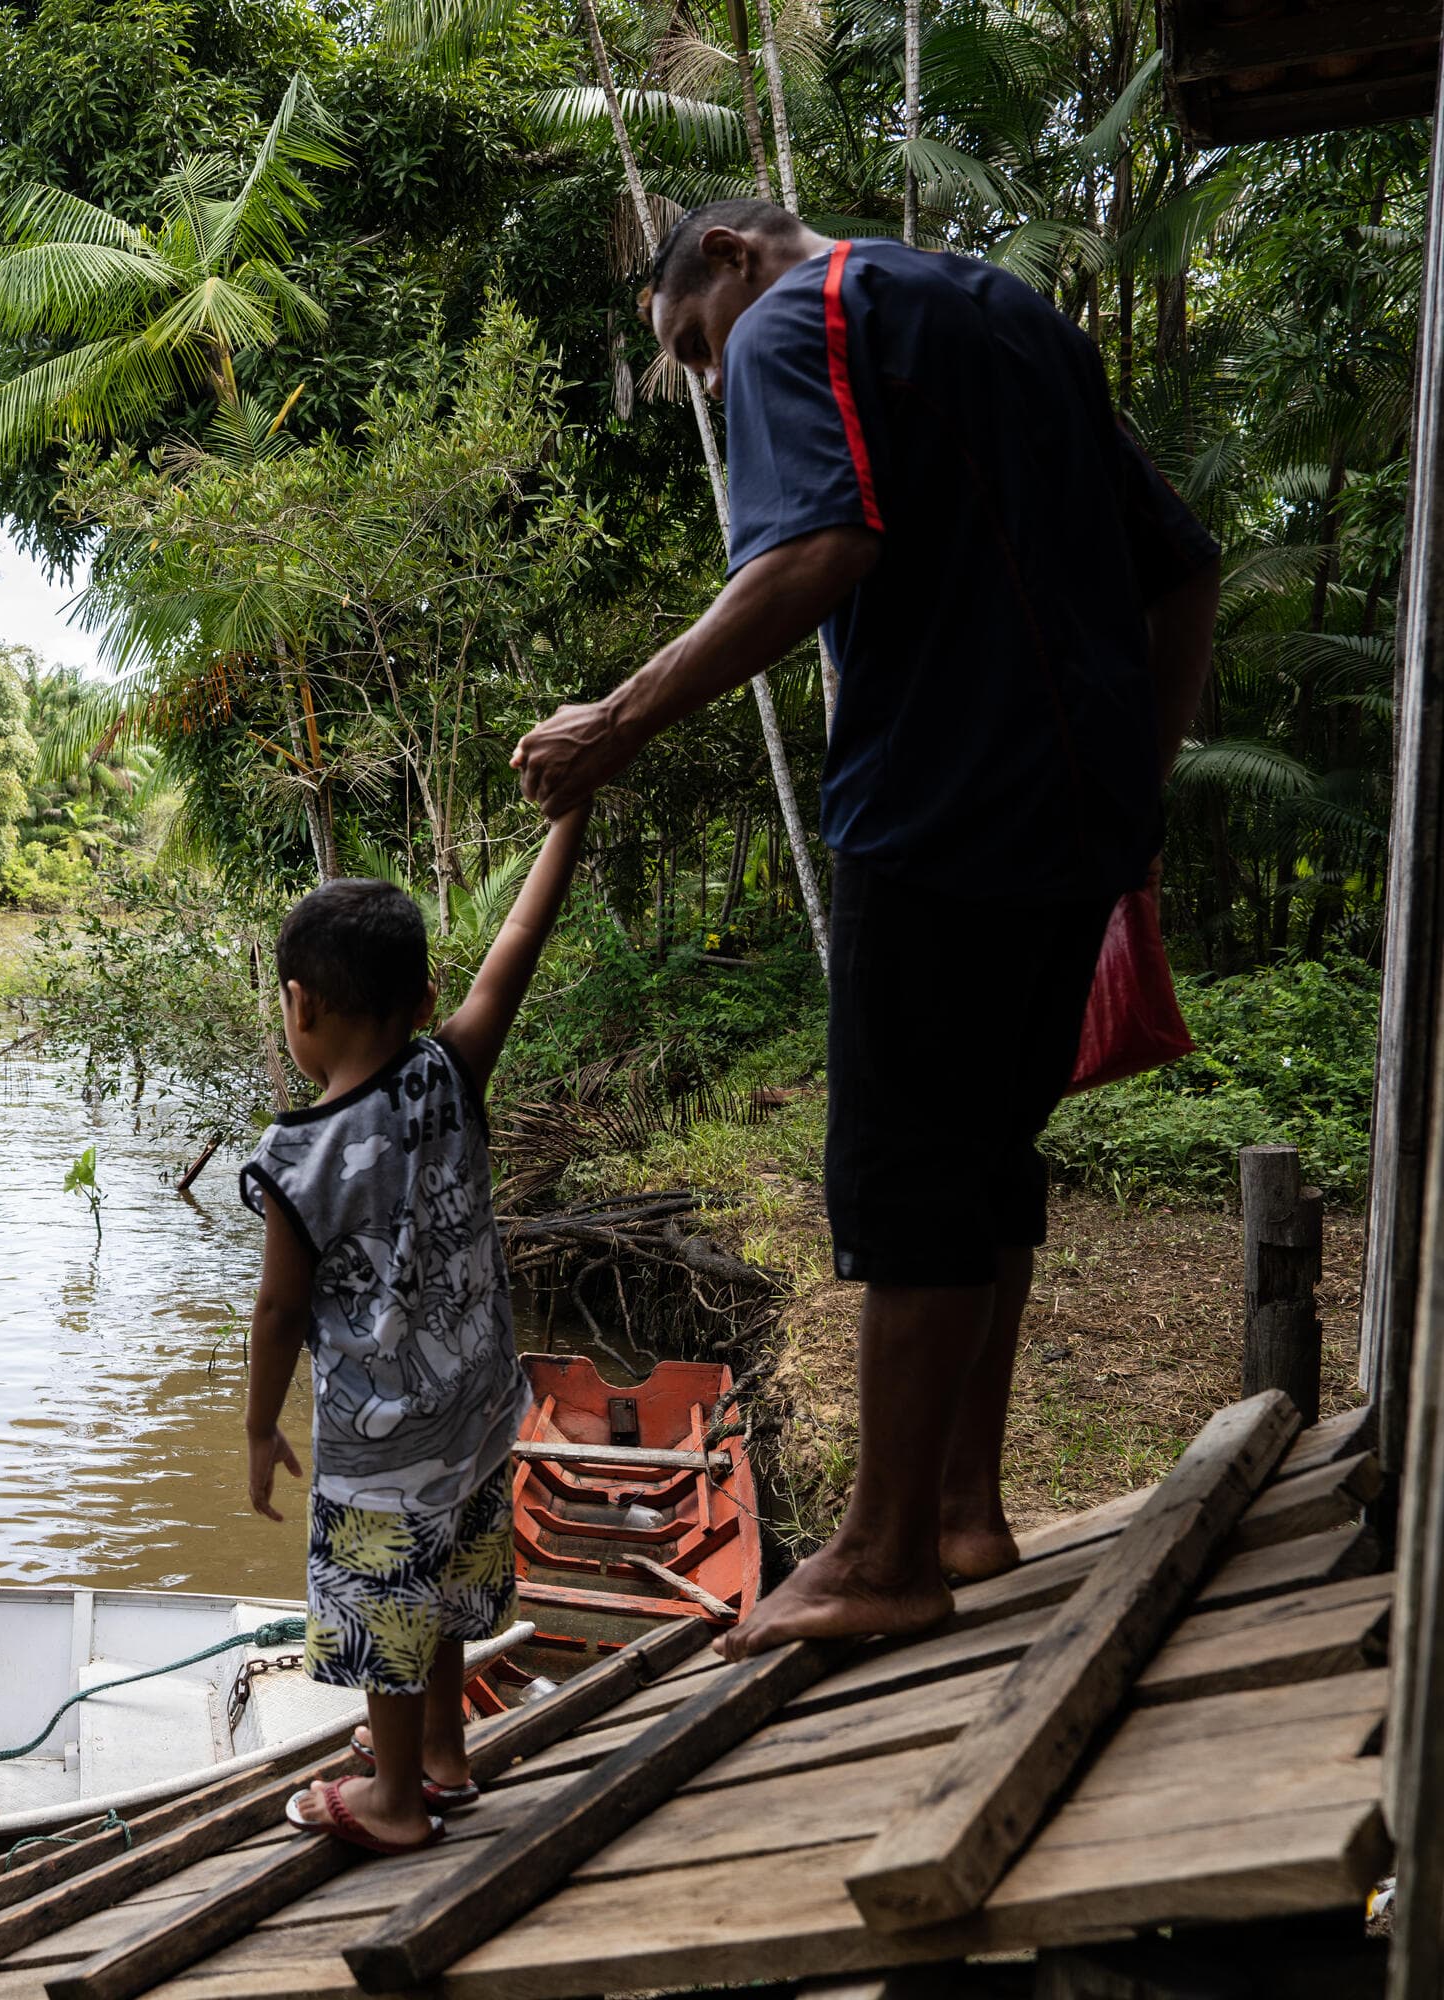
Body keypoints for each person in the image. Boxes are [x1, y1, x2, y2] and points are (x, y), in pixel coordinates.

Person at [510, 200, 1221, 1661]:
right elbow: (1186, 562)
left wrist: (615, 724)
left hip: (938, 803)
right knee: (982, 1154)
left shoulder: (794, 315)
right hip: (1073, 816)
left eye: (694, 350)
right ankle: (963, 1511)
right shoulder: (1014, 313)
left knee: (901, 1164)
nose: (714, 381)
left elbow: (816, 550)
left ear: (727, 260)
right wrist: (1134, 789)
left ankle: (889, 1550)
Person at [239, 810, 590, 1855]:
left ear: (299, 1006)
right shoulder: (448, 1070)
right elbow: (516, 948)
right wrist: (566, 822)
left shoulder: (295, 1159)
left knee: (383, 1602)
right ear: (424, 999)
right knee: (437, 1584)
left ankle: (394, 1796)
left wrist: (259, 1426)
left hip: (383, 1435)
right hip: (479, 1410)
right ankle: (443, 1753)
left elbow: (279, 1311)